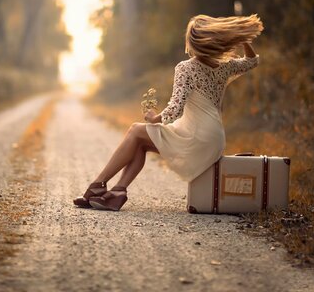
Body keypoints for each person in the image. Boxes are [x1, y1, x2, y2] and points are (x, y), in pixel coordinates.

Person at [73, 14, 264, 211]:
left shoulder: (186, 68)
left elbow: (176, 107)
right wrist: (243, 40)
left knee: (136, 130)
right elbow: (252, 61)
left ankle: (97, 185)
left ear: (191, 43)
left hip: (196, 136)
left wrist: (154, 118)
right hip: (214, 140)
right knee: (140, 143)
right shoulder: (226, 67)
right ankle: (117, 192)